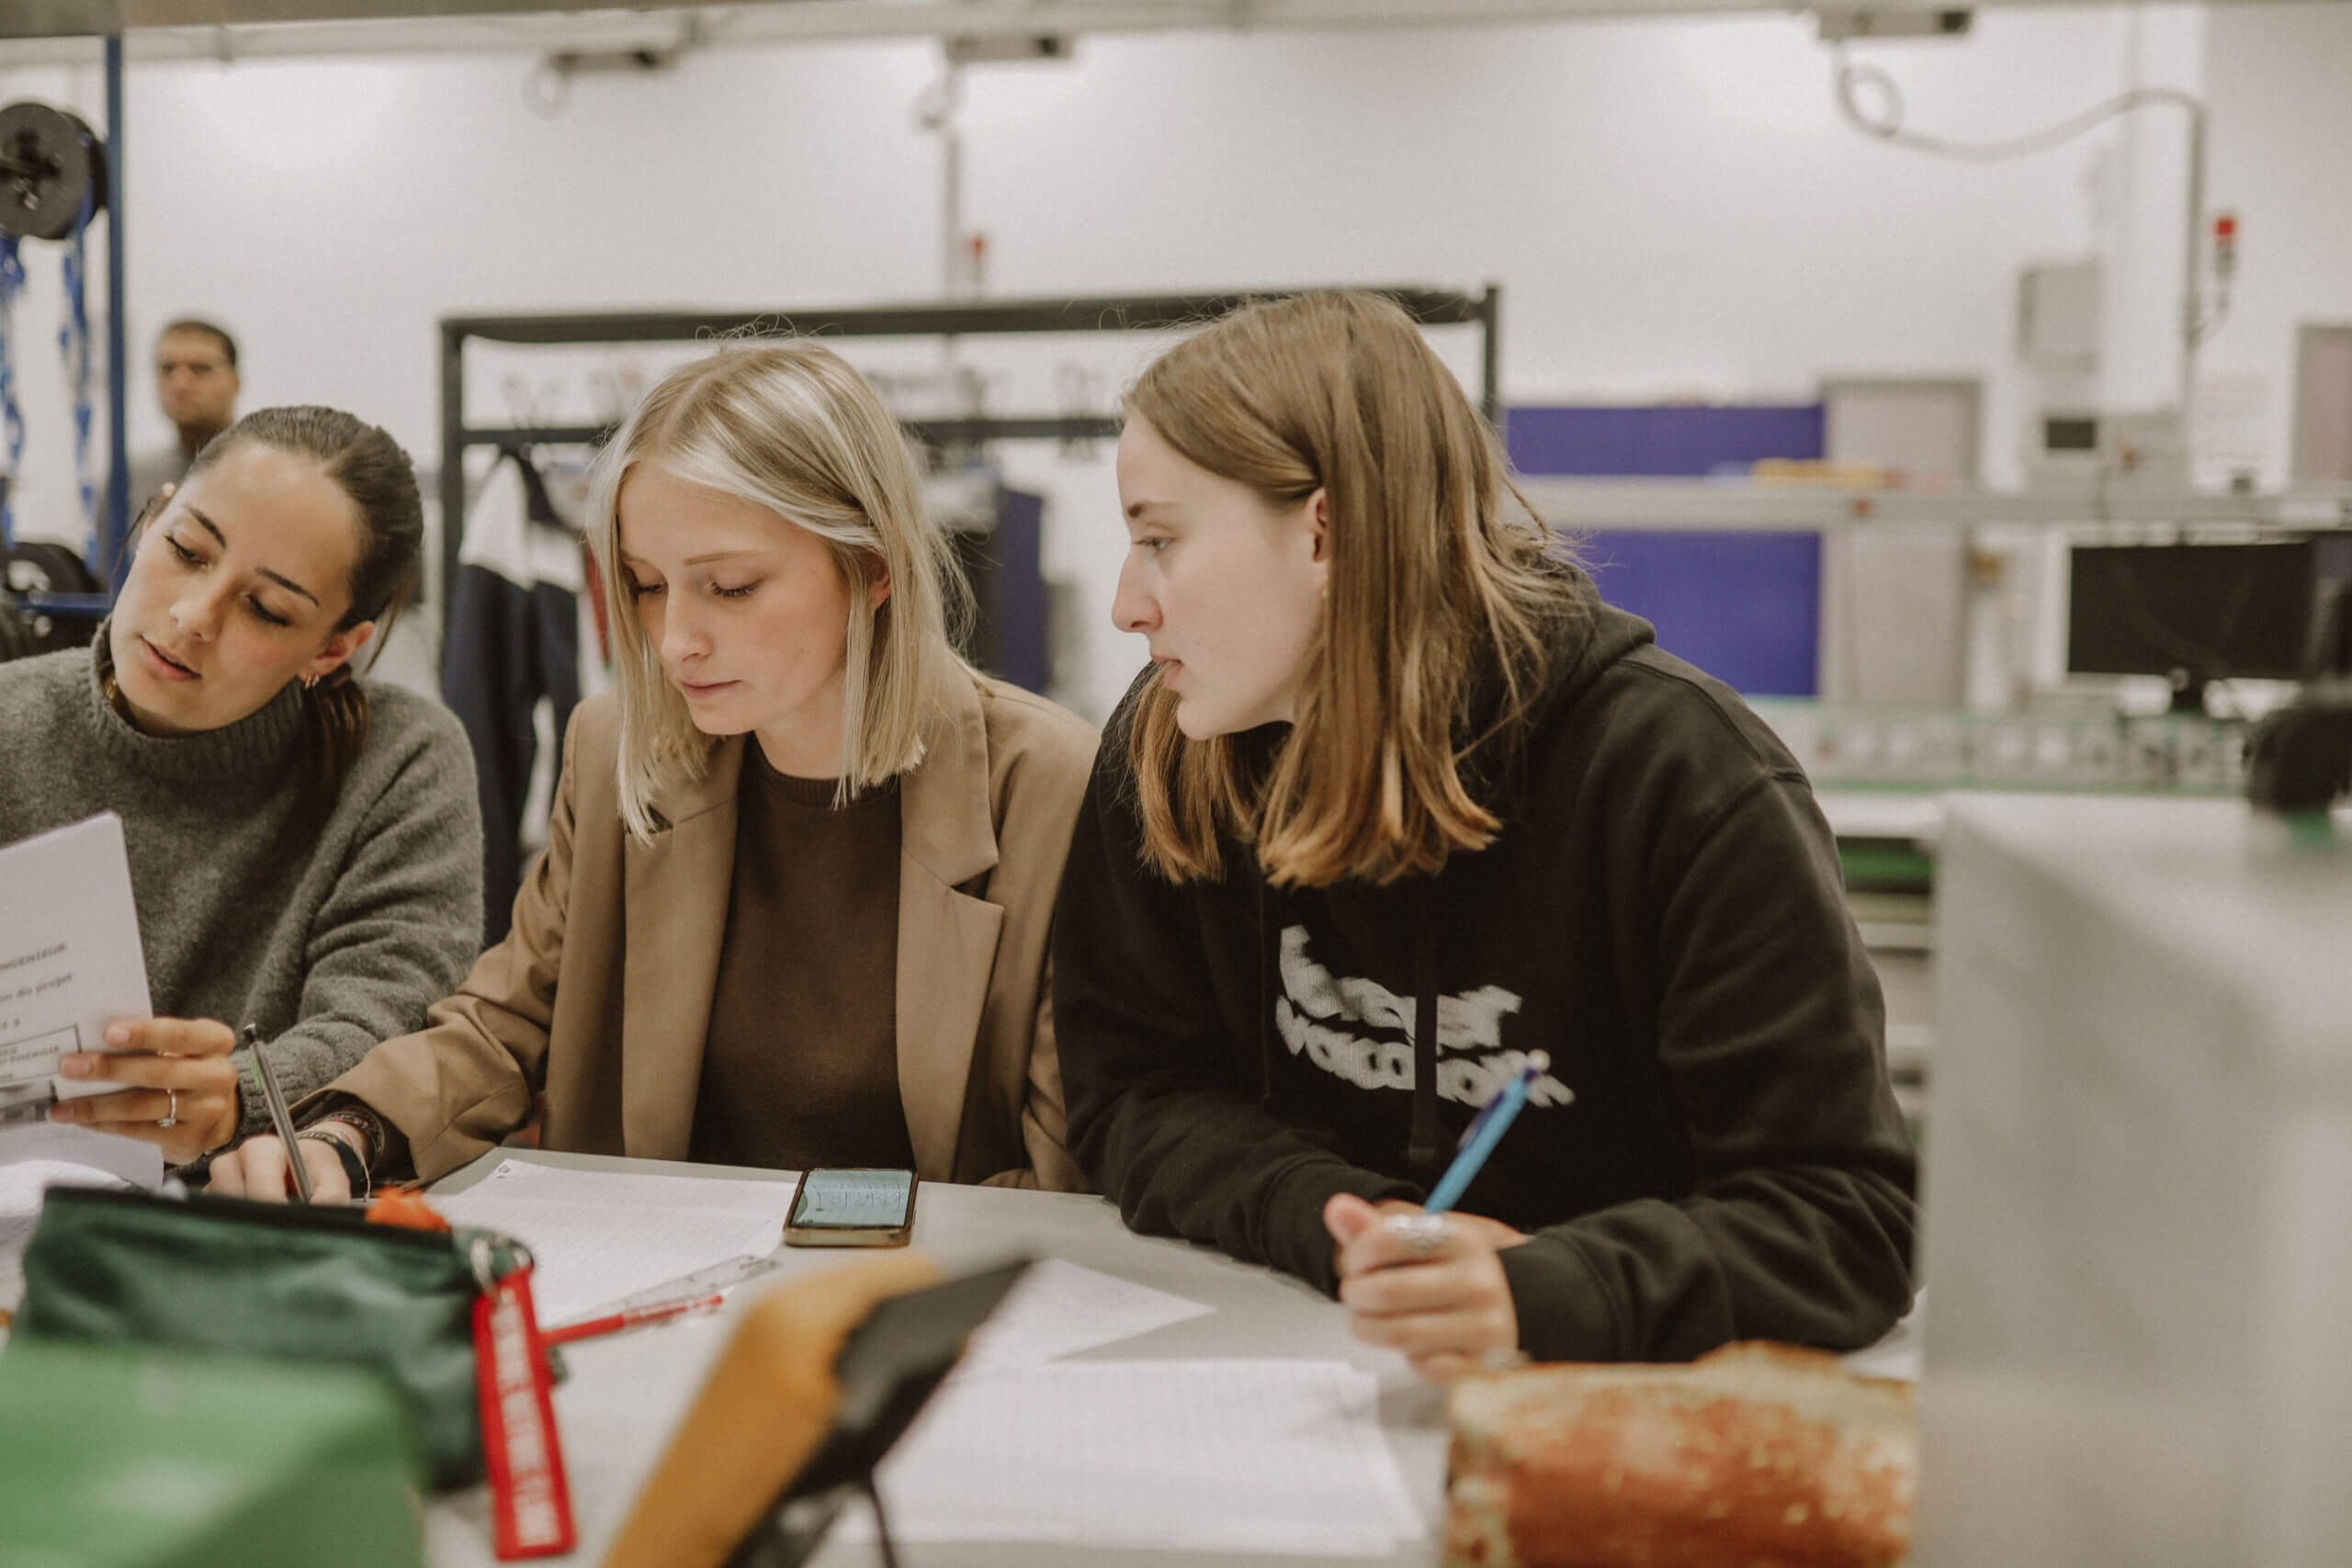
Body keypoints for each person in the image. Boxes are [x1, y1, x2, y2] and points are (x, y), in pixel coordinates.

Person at [1052, 292, 1917, 1382]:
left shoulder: (1677, 778)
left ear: (1326, 532)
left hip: (1600, 1397)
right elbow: (1133, 1094)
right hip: (1287, 1364)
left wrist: (1551, 1288)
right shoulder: (1170, 746)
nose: (1129, 605)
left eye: (1160, 541)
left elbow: (1846, 1220)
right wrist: (1339, 1220)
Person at [210, 340, 1097, 1202]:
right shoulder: (614, 752)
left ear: (871, 567)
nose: (674, 641)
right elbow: (503, 1023)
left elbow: (1061, 1176)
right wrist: (346, 1134)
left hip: (917, 1310)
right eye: (644, 584)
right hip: (660, 1310)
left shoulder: (1044, 785)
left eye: (732, 585)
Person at [0, 406, 484, 1166]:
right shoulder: (10, 722)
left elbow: (385, 1020)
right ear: (156, 515)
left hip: (256, 1237)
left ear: (332, 648)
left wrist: (236, 1099)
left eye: (265, 607)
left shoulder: (399, 760)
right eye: (187, 549)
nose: (194, 615)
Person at [127, 319, 243, 511]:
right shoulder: (132, 481)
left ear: (235, 382)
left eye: (200, 369)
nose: (180, 384)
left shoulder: (272, 473)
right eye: (167, 369)